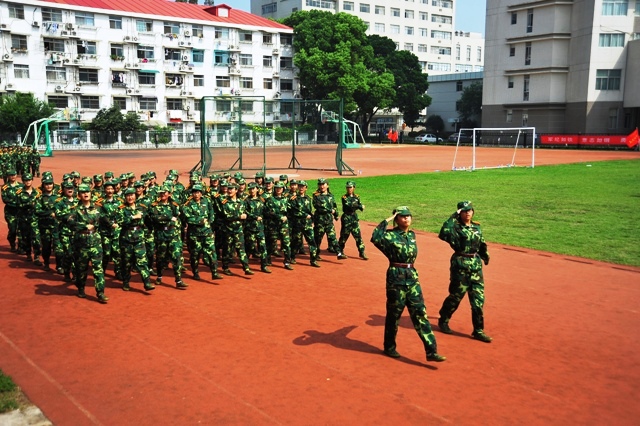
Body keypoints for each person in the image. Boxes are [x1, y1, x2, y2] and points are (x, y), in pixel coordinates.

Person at [370, 206, 446, 363]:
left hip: (412, 278)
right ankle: (389, 347)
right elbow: (375, 237)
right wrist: (387, 220)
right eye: (402, 216)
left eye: (408, 216)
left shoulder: (412, 235)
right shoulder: (389, 236)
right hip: (396, 278)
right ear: (397, 219)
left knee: (420, 313)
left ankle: (431, 351)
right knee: (394, 315)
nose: (406, 218)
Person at [437, 201, 492, 343]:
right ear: (459, 213)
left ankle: (478, 330)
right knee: (455, 297)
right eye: (464, 211)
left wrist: (485, 255)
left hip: (475, 268)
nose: (467, 213)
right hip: (460, 266)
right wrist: (452, 217)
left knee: (478, 301)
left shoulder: (476, 227)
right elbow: (443, 234)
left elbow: (481, 243)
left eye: (470, 210)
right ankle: (444, 319)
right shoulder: (454, 228)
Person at [67, 184, 113, 303]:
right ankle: (81, 288)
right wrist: (83, 226)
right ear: (79, 195)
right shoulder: (75, 209)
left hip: (95, 242)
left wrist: (113, 224)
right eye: (83, 192)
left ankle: (100, 292)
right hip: (81, 243)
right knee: (81, 269)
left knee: (98, 269)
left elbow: (105, 219)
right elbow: (70, 223)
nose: (86, 194)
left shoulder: (98, 207)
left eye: (87, 191)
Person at [117, 187, 155, 292]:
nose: (130, 197)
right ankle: (126, 282)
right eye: (128, 196)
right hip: (126, 238)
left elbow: (147, 219)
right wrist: (133, 217)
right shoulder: (121, 209)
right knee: (127, 262)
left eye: (132, 195)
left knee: (142, 261)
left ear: (135, 196)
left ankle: (147, 282)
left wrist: (150, 229)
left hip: (139, 238)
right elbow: (120, 221)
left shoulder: (141, 207)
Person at [312, 178, 346, 260]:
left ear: (327, 185)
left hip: (329, 221)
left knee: (332, 237)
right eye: (320, 184)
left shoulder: (331, 196)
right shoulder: (316, 196)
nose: (322, 186)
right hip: (319, 221)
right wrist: (330, 210)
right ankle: (315, 255)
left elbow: (334, 206)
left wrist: (336, 214)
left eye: (323, 184)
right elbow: (319, 207)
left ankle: (339, 253)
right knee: (317, 239)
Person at [338, 181, 367, 260]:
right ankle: (340, 251)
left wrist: (360, 206)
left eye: (350, 187)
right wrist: (360, 206)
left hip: (354, 217)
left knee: (358, 236)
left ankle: (362, 252)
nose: (349, 189)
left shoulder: (357, 197)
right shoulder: (344, 197)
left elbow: (358, 204)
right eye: (347, 187)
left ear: (354, 188)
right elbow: (350, 205)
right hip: (346, 218)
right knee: (344, 236)